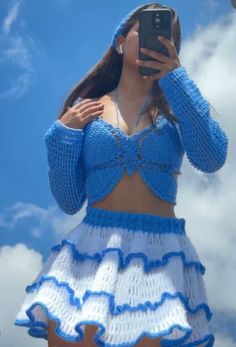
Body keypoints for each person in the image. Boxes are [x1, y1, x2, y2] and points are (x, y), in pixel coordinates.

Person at [14, 2, 228, 347]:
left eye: (167, 36)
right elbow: (69, 201)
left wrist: (176, 78)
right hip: (89, 253)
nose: (156, 38)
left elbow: (211, 157)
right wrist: (62, 136)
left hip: (161, 254)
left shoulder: (177, 110)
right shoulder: (88, 110)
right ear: (119, 42)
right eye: (143, 29)